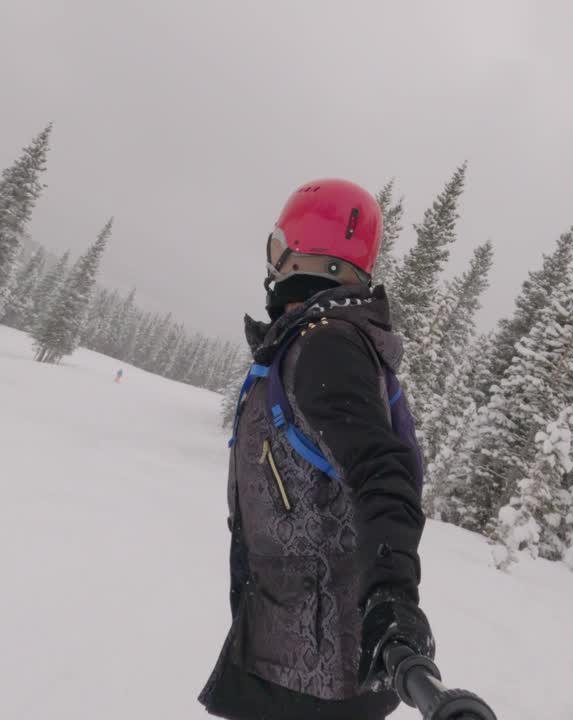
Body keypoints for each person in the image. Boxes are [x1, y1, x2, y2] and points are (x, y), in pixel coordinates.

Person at [199, 179, 432, 720]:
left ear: (310, 251)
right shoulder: (314, 339)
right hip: (297, 660)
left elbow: (383, 471)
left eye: (278, 246)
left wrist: (393, 598)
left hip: (315, 684)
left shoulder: (327, 344)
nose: (274, 263)